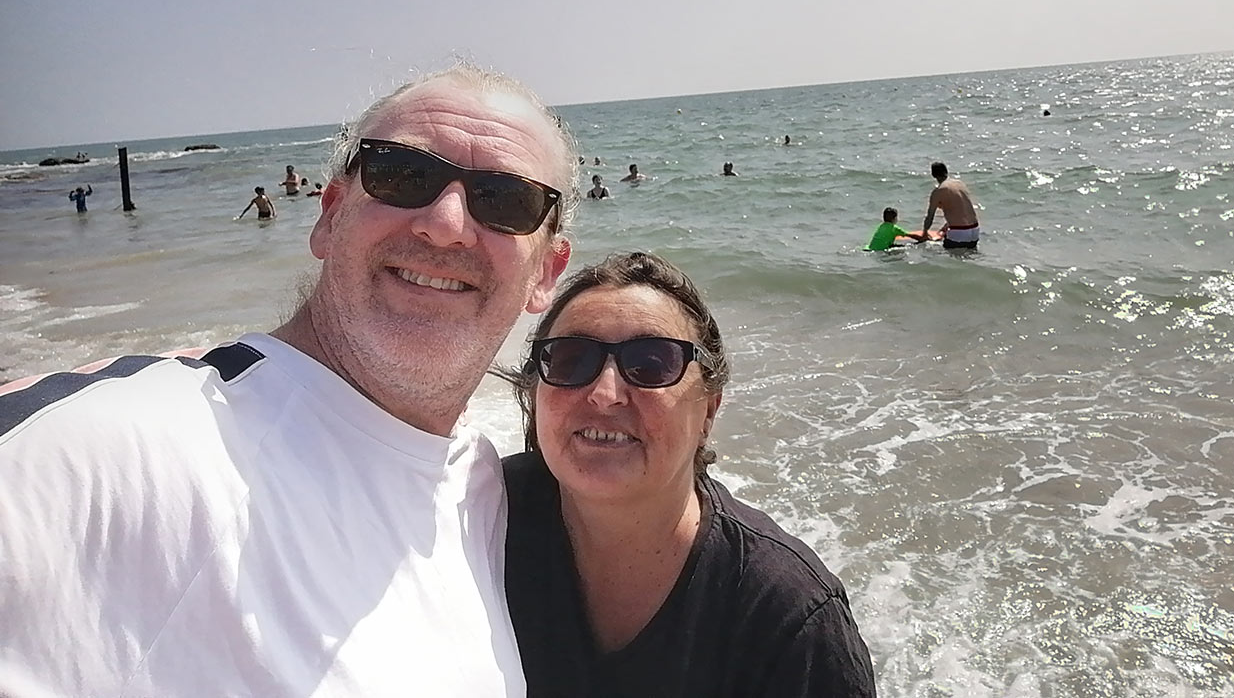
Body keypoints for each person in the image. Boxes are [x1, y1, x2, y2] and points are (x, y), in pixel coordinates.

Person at [0, 63, 577, 696]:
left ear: (546, 273)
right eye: (401, 174)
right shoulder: (115, 446)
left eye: (506, 200)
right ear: (329, 217)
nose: (444, 223)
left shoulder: (482, 485)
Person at [501, 251, 876, 697]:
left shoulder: (788, 616)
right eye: (570, 358)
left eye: (651, 364)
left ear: (708, 411)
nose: (605, 393)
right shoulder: (473, 519)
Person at [921, 161, 981, 249]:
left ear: (933, 175)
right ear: (946, 171)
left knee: (934, 251)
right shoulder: (960, 184)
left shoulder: (938, 191)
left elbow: (930, 217)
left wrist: (925, 233)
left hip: (959, 233)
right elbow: (961, 211)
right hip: (975, 231)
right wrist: (946, 226)